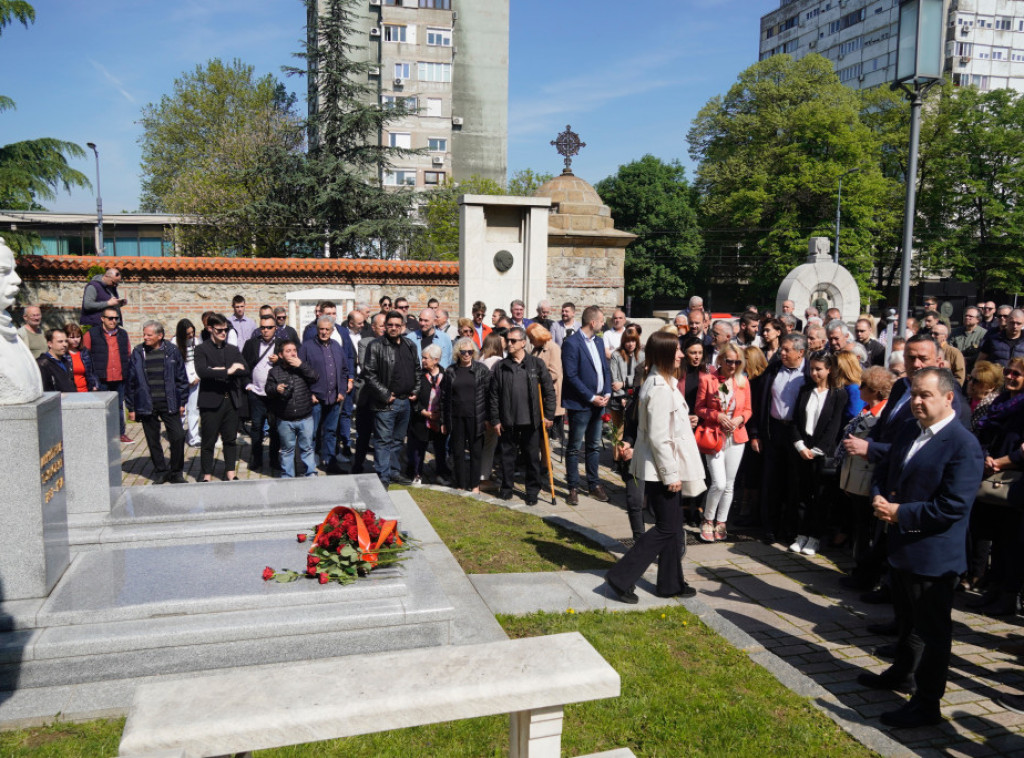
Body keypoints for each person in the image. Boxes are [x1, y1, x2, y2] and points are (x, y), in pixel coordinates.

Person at [857, 368, 983, 729]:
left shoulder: (963, 445)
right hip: (901, 547)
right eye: (913, 394)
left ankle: (927, 703)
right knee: (907, 621)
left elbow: (953, 507)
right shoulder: (911, 430)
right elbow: (886, 470)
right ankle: (902, 673)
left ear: (948, 398)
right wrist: (878, 495)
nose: (916, 401)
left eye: (925, 395)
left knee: (932, 633)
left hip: (933, 556)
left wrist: (900, 513)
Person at [604, 332, 706, 603]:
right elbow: (660, 438)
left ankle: (670, 584)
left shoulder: (664, 381)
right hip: (661, 470)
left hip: (662, 467)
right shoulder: (659, 388)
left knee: (672, 527)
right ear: (663, 355)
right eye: (677, 351)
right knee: (667, 528)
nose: (682, 355)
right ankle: (621, 577)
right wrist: (671, 476)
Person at [748, 332, 809, 544]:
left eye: (787, 350)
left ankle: (790, 529)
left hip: (797, 433)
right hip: (773, 431)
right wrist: (755, 433)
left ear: (800, 352)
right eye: (781, 349)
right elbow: (759, 403)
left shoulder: (809, 373)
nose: (782, 353)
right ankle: (770, 528)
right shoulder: (773, 370)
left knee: (794, 483)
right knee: (771, 481)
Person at [787, 351, 846, 556]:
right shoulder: (805, 390)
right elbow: (796, 420)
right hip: (802, 450)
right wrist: (800, 446)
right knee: (802, 494)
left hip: (822, 453)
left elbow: (834, 426)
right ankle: (801, 534)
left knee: (820, 497)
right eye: (811, 369)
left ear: (829, 370)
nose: (814, 373)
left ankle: (815, 537)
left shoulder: (838, 394)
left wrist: (816, 450)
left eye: (819, 369)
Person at [488, 326, 555, 505]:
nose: (509, 344)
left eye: (513, 341)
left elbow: (549, 390)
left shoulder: (536, 364)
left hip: (531, 420)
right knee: (507, 457)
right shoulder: (501, 366)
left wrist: (549, 415)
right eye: (508, 340)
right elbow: (493, 396)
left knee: (532, 458)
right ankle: (507, 487)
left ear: (523, 343)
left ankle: (532, 490)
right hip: (508, 420)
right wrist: (495, 419)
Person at [695, 344, 752, 543]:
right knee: (718, 483)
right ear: (720, 360)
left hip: (736, 437)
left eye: (737, 362)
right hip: (714, 435)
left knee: (729, 484)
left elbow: (748, 409)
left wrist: (740, 419)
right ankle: (707, 519)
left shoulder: (743, 381)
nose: (733, 365)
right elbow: (699, 408)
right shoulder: (708, 380)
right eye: (729, 361)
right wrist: (717, 415)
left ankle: (721, 522)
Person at [124, 320, 189, 485]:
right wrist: (131, 407)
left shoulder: (172, 351)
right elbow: (130, 381)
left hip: (170, 402)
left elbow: (181, 379)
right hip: (147, 403)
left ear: (160, 336)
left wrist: (182, 402)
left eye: (149, 335)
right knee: (152, 440)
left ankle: (176, 472)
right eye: (144, 334)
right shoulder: (138, 352)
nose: (145, 337)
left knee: (178, 436)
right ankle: (161, 471)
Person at [362, 310, 421, 488]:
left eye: (397, 325)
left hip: (405, 401)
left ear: (403, 326)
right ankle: (383, 476)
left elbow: (417, 370)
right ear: (385, 326)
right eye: (390, 325)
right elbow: (369, 374)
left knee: (397, 440)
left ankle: (393, 471)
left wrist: (416, 390)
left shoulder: (410, 345)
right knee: (383, 441)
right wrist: (385, 394)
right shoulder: (376, 346)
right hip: (386, 403)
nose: (394, 328)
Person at [562, 305, 612, 505]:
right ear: (593, 322)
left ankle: (593, 484)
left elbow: (605, 369)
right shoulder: (571, 343)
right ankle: (573, 487)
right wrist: (591, 397)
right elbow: (571, 376)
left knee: (594, 446)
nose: (603, 324)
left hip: (599, 402)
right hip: (580, 404)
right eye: (601, 320)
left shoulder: (599, 341)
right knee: (574, 447)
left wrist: (607, 392)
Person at [194, 313, 249, 482]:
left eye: (225, 330)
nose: (223, 333)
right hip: (210, 401)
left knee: (230, 439)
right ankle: (207, 474)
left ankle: (230, 472)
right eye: (219, 330)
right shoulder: (202, 349)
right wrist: (228, 370)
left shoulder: (232, 349)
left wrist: (217, 370)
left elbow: (245, 369)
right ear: (210, 329)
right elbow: (202, 372)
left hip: (230, 400)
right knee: (208, 440)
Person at [299, 315, 349, 474]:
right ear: (317, 329)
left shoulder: (336, 346)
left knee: (331, 432)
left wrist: (341, 391)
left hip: (334, 398)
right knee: (311, 434)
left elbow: (344, 371)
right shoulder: (307, 347)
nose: (324, 332)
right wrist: (309, 393)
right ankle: (309, 466)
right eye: (321, 329)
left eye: (327, 329)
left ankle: (329, 462)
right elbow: (300, 373)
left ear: (332, 330)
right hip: (315, 398)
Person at [441, 337, 490, 493]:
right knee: (458, 452)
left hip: (476, 417)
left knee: (476, 453)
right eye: (463, 352)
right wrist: (443, 420)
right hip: (456, 418)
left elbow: (489, 395)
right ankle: (461, 484)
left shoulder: (482, 370)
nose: (467, 354)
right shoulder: (450, 371)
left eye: (470, 351)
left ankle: (475, 485)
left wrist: (488, 418)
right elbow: (444, 397)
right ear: (458, 353)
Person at [265, 340, 318, 478]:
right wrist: (276, 389)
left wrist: (301, 365)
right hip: (285, 419)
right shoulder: (274, 372)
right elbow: (268, 390)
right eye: (288, 351)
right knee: (287, 450)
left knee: (307, 448)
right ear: (281, 355)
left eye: (294, 350)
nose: (293, 353)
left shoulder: (303, 367)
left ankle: (311, 474)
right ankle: (287, 476)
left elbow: (315, 377)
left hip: (305, 416)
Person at [83, 306, 133, 442]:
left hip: (119, 377)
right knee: (101, 407)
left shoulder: (123, 334)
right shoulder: (91, 334)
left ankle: (120, 433)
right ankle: (101, 434)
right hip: (101, 378)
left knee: (119, 407)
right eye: (110, 318)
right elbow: (85, 356)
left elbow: (128, 354)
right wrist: (91, 378)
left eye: (116, 318)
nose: (113, 321)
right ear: (102, 319)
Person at [242, 313, 282, 473]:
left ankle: (274, 459)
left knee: (275, 429)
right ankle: (256, 459)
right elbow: (243, 365)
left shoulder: (281, 344)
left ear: (275, 328)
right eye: (263, 327)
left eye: (269, 327)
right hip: (256, 394)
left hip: (275, 396)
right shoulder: (251, 344)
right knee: (256, 428)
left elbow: (291, 365)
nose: (265, 330)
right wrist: (247, 385)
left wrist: (279, 361)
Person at [406, 344, 451, 485]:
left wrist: (441, 415)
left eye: (426, 358)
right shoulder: (418, 375)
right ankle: (417, 474)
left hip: (439, 419)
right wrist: (423, 411)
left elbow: (448, 398)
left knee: (440, 448)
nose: (423, 360)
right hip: (421, 418)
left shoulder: (446, 375)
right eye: (423, 357)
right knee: (419, 448)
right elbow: (412, 397)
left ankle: (440, 473)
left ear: (436, 360)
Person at [351, 312, 386, 475]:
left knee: (382, 435)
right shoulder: (365, 343)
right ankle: (358, 464)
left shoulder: (394, 344)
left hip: (385, 397)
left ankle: (381, 468)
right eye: (381, 326)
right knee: (363, 434)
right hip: (367, 396)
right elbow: (367, 367)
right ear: (373, 327)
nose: (385, 328)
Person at [526, 322, 564, 465]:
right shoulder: (536, 349)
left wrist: (535, 379)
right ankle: (541, 463)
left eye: (531, 338)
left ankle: (546, 464)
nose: (530, 342)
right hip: (538, 395)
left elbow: (554, 373)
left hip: (549, 395)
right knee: (540, 433)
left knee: (545, 432)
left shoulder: (553, 348)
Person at [477, 332, 506, 491]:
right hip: (490, 409)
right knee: (490, 444)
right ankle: (483, 477)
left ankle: (480, 473)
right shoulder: (498, 362)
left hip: (478, 408)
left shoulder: (479, 360)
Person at [609, 325, 643, 452]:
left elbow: (639, 379)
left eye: (633, 340)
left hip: (635, 398)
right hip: (618, 398)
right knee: (618, 430)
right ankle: (617, 458)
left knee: (632, 430)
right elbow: (614, 380)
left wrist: (624, 383)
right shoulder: (616, 355)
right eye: (628, 341)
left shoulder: (642, 355)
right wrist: (622, 396)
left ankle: (630, 457)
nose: (630, 344)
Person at [175, 319, 202, 447]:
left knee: (193, 409)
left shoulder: (196, 342)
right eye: (188, 334)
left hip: (195, 380)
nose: (191, 335)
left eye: (192, 332)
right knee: (181, 410)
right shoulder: (175, 344)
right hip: (181, 381)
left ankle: (193, 437)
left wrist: (197, 377)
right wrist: (185, 379)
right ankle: (178, 436)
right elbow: (177, 365)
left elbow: (199, 361)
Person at [36, 327, 76, 393]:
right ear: (50, 344)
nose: (65, 344)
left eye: (66, 341)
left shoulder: (65, 361)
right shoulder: (43, 364)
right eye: (60, 341)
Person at [64, 323, 99, 392]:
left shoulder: (85, 352)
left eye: (78, 337)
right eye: (72, 337)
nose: (76, 340)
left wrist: (95, 385)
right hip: (70, 392)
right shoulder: (63, 354)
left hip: (86, 391)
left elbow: (92, 372)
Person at [931, 322, 966, 386]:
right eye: (931, 333)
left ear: (945, 336)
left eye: (936, 334)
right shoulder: (928, 350)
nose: (932, 336)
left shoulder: (954, 352)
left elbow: (959, 376)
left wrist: (952, 389)